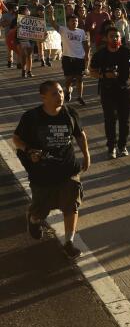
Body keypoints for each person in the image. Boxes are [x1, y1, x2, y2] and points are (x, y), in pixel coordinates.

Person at [12, 80, 90, 258]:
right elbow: (16, 139)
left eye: (61, 92)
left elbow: (80, 134)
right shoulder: (31, 117)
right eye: (54, 93)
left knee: (71, 205)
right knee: (41, 210)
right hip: (42, 173)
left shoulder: (70, 113)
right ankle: (33, 220)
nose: (60, 96)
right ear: (43, 97)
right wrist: (29, 150)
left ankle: (69, 242)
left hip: (68, 169)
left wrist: (86, 155)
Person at [88, 26, 130, 159]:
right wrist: (104, 75)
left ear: (120, 38)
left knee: (124, 121)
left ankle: (122, 146)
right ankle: (111, 147)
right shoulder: (100, 54)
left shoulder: (127, 52)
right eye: (112, 36)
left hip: (125, 91)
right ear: (106, 38)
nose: (115, 38)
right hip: (107, 91)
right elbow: (91, 72)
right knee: (110, 120)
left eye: (117, 36)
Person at [59, 13, 90, 105]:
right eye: (72, 21)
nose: (74, 22)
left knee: (79, 78)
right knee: (69, 79)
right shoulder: (63, 30)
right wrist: (51, 13)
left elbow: (85, 45)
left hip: (79, 58)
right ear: (67, 22)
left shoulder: (81, 32)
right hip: (67, 58)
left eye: (76, 21)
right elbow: (53, 23)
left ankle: (79, 97)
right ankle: (68, 90)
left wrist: (87, 56)